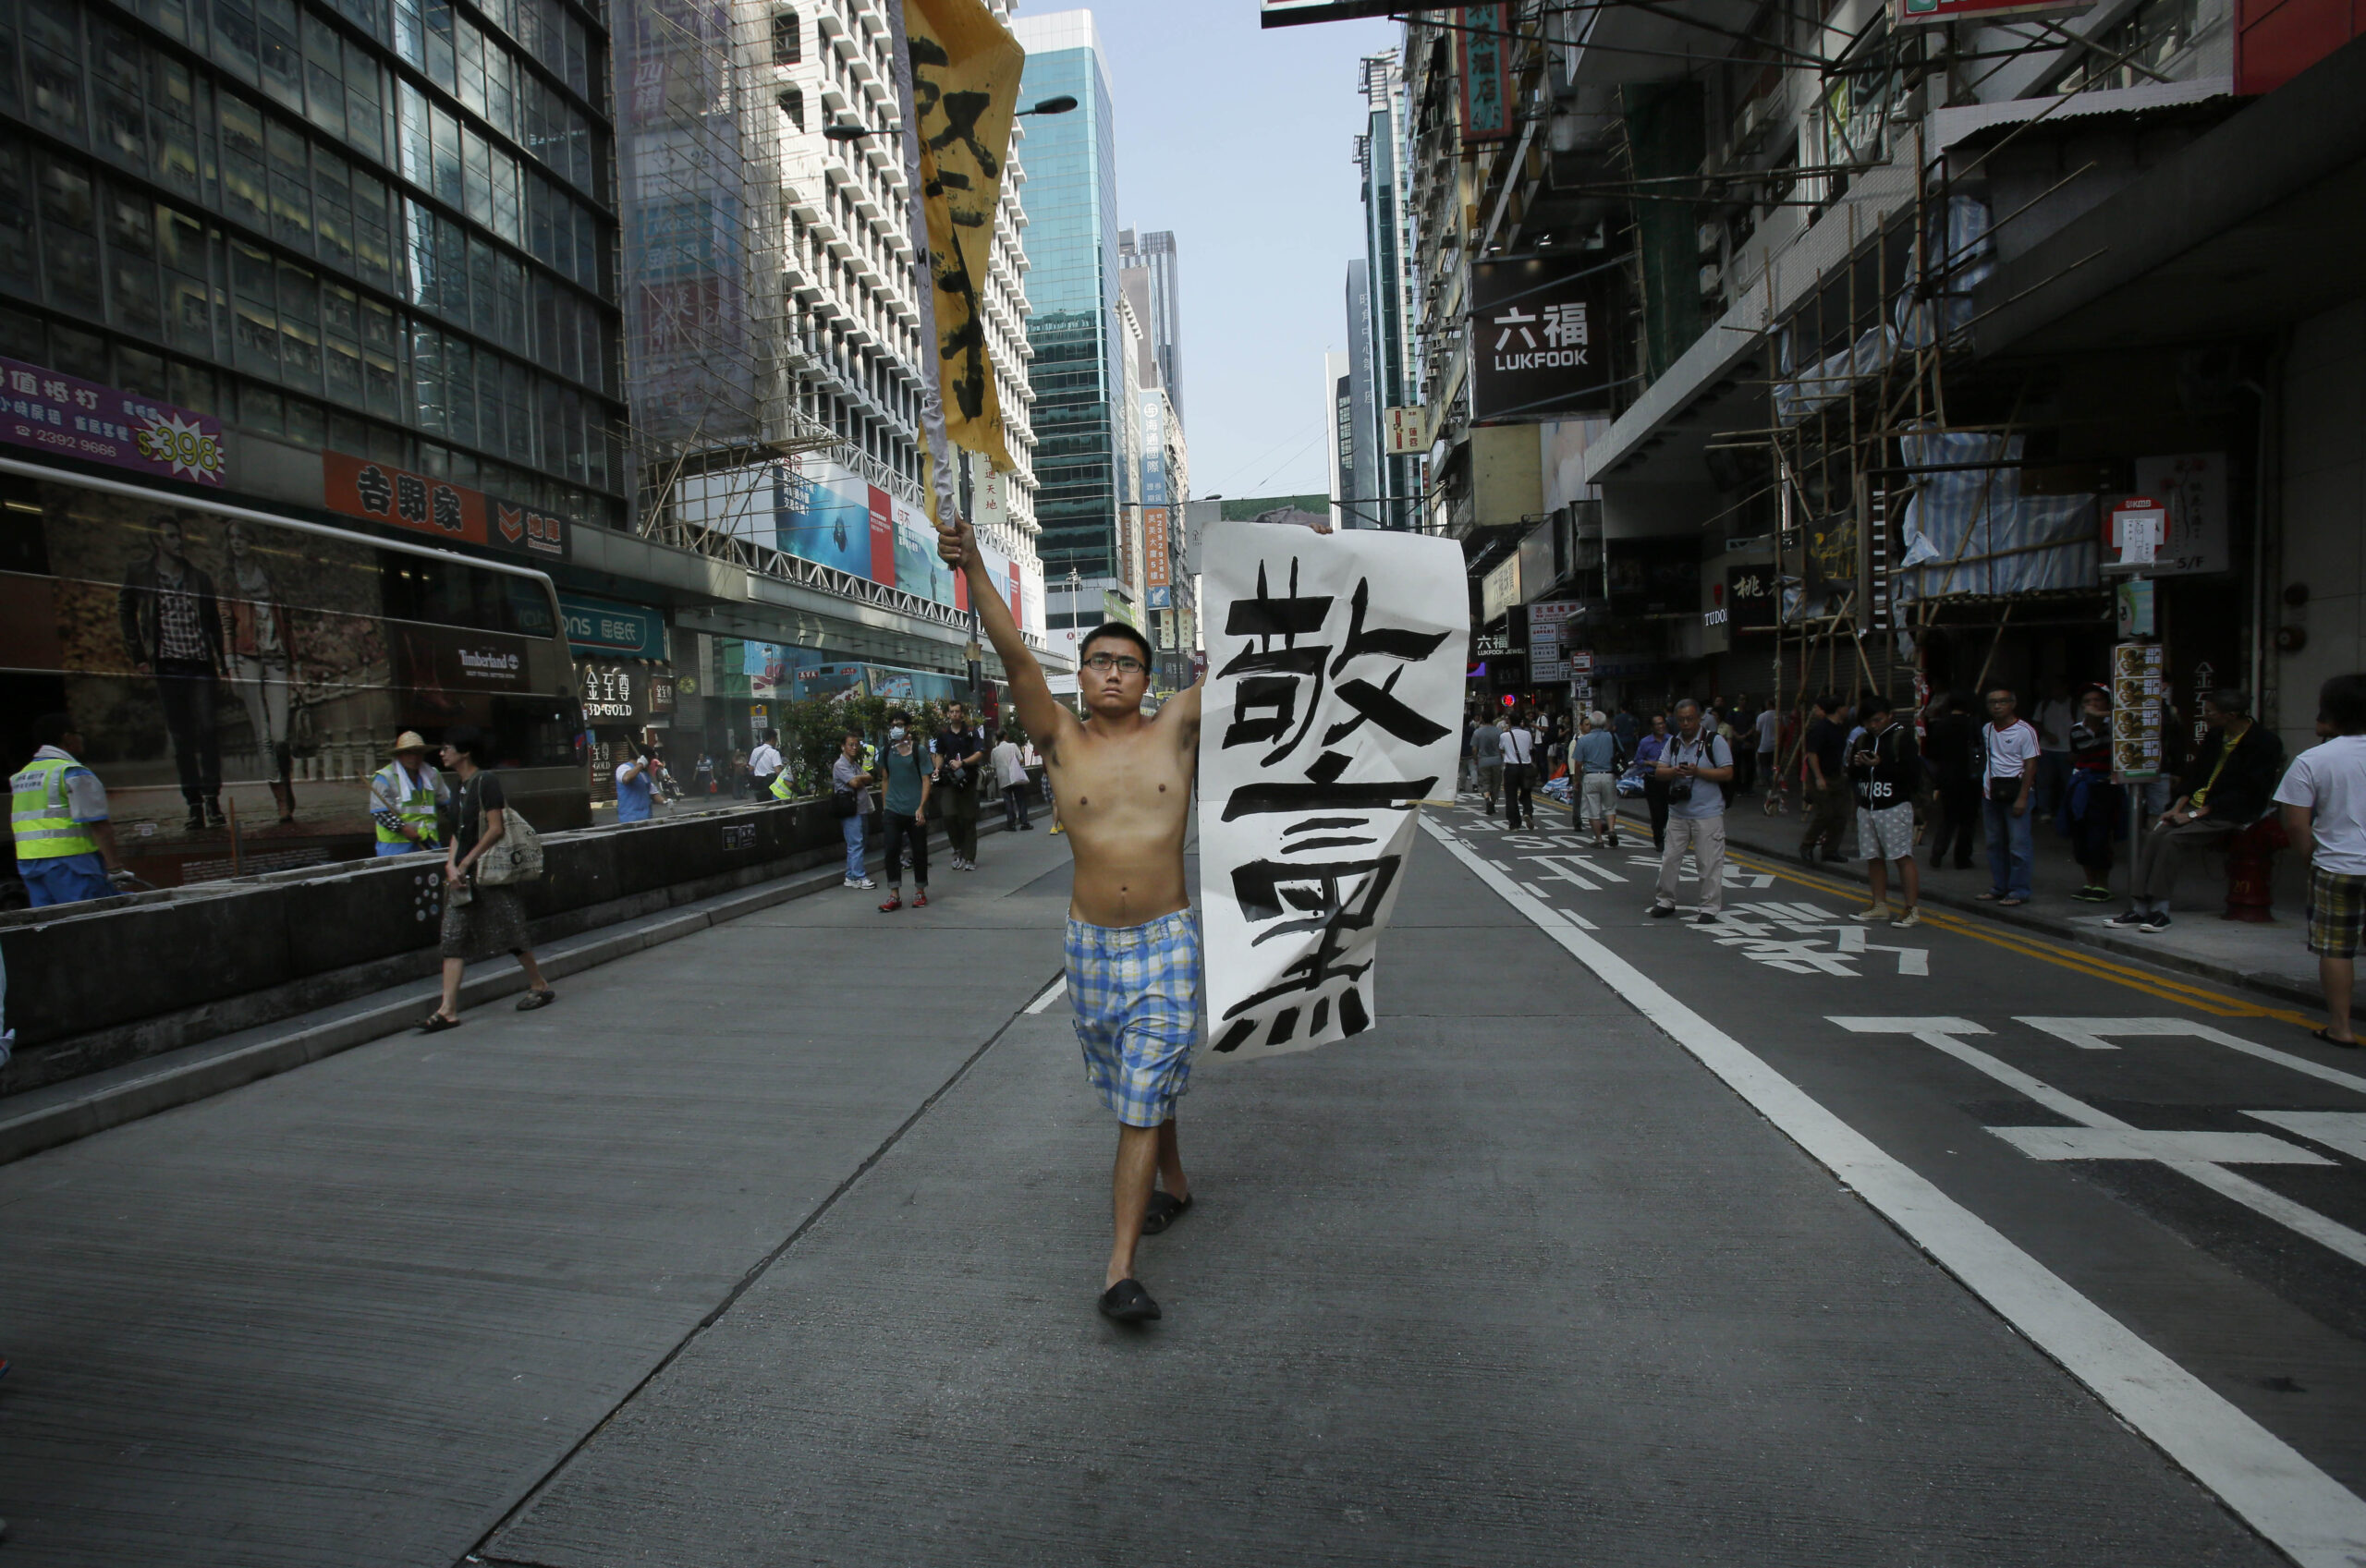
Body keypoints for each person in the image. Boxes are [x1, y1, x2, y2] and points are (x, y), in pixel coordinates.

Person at [942, 515, 1204, 1325]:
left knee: (1137, 1095)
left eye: (1129, 662)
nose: (1114, 673)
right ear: (1083, 676)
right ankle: (1178, 1185)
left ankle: (1118, 1270)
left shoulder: (1180, 728)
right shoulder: (1056, 737)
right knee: (1134, 1081)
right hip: (1089, 947)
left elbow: (1263, 671)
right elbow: (1017, 652)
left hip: (1166, 941)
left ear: (1148, 675)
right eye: (1101, 662)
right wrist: (976, 568)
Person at [2112, 687, 2286, 934]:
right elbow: (2197, 775)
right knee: (2156, 834)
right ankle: (2140, 907)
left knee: (2173, 840)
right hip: (2197, 804)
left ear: (2231, 715)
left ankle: (2161, 909)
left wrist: (2193, 815)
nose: (2205, 717)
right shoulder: (2216, 736)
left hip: (2228, 810)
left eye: (2210, 713)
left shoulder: (2264, 742)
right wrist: (2176, 807)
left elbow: (2249, 791)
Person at [418, 725, 555, 1030]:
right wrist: (451, 866)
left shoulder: (486, 782)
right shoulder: (458, 787)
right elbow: (458, 832)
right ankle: (447, 1010)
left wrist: (466, 862)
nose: (442, 753)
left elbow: (496, 828)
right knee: (452, 938)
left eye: (447, 748)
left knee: (511, 932)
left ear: (465, 752)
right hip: (463, 876)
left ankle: (540, 985)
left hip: (489, 873)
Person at [116, 508, 226, 832]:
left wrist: (224, 661)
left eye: (180, 536)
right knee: (181, 737)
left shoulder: (199, 577)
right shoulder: (139, 572)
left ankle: (212, 800)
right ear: (156, 539)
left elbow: (214, 624)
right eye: (171, 536)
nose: (179, 542)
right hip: (167, 665)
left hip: (200, 664)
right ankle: (193, 805)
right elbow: (126, 610)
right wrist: (138, 654)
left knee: (207, 732)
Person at [2276, 673, 2366, 1048]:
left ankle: (2341, 1026)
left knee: (2336, 948)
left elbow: (2296, 825)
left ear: (2330, 714)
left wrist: (2311, 857)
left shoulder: (2311, 760)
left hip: (2337, 866)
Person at [10, 713, 132, 906]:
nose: (81, 739)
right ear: (67, 737)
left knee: (51, 927)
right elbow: (99, 824)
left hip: (30, 863)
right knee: (87, 923)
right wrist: (115, 869)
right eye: (79, 734)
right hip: (71, 863)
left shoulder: (21, 776)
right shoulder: (71, 772)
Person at [223, 519, 298, 823]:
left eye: (241, 536)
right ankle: (280, 799)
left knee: (281, 736)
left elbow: (286, 618)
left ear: (252, 540)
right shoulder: (229, 577)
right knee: (264, 736)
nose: (236, 542)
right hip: (247, 656)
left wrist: (296, 662)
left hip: (276, 656)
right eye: (231, 538)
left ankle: (287, 785)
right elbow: (226, 620)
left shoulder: (269, 573)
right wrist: (230, 664)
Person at [1648, 699, 1733, 925]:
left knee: (1708, 863)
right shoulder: (1673, 743)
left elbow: (1727, 773)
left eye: (1690, 719)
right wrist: (1674, 771)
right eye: (1681, 719)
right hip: (1678, 813)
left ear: (1699, 719)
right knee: (1669, 860)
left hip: (1708, 813)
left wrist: (1698, 772)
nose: (1686, 723)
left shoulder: (1715, 742)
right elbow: (1659, 772)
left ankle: (1709, 907)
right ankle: (1665, 900)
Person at [1847, 692, 1921, 927]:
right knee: (1873, 856)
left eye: (1878, 720)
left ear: (1890, 716)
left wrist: (1882, 765)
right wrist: (1858, 765)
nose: (1873, 725)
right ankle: (1879, 904)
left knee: (1901, 856)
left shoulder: (1901, 738)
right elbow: (1851, 773)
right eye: (1868, 721)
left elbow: (1912, 775)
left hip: (1894, 806)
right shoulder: (1862, 740)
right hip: (1867, 805)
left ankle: (1911, 908)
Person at [1979, 687, 2042, 906]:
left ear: (2012, 704)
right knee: (1995, 843)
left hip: (2016, 793)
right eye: (1992, 702)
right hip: (1991, 794)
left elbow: (2031, 764)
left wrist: (2023, 797)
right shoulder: (1987, 729)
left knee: (2018, 845)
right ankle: (2000, 887)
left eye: (2002, 701)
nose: (1997, 706)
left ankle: (2019, 890)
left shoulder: (2025, 731)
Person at [2062, 686, 2120, 902]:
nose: (2092, 705)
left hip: (2105, 785)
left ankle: (2103, 885)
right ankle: (2089, 882)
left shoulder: (2115, 725)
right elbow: (2081, 752)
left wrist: (2102, 718)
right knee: (2080, 835)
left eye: (2097, 700)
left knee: (2101, 836)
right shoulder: (2077, 729)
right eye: (2088, 701)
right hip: (2082, 784)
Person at [874, 709, 933, 912]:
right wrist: (885, 807)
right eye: (892, 725)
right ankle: (894, 894)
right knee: (891, 850)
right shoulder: (886, 751)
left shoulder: (919, 751)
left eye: (899, 725)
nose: (895, 729)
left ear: (908, 727)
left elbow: (926, 780)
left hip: (914, 810)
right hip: (893, 809)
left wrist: (921, 807)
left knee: (919, 851)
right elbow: (885, 779)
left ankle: (920, 890)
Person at [1922, 692, 1982, 870]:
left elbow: (1932, 752)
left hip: (1946, 776)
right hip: (1969, 777)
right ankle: (1962, 858)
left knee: (1948, 817)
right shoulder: (1972, 724)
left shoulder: (1940, 725)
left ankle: (1938, 852)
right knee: (1968, 820)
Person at [370, 731, 450, 856]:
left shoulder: (432, 775)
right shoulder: (385, 777)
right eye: (409, 753)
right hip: (396, 846)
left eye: (418, 753)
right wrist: (403, 828)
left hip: (429, 842)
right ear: (399, 755)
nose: (414, 758)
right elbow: (380, 813)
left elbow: (446, 805)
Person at [935, 699, 990, 871]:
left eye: (957, 711)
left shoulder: (972, 732)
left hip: (968, 779)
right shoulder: (943, 734)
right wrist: (937, 768)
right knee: (949, 815)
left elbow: (980, 753)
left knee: (968, 818)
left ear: (962, 714)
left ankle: (969, 857)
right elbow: (939, 753)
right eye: (951, 712)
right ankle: (957, 849)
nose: (954, 714)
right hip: (949, 780)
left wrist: (963, 763)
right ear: (947, 714)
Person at [1799, 694, 1848, 863]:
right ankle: (1807, 845)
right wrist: (1819, 777)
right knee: (1825, 813)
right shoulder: (1821, 729)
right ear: (1838, 709)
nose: (1847, 710)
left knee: (1841, 815)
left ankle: (1830, 850)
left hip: (1836, 777)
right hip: (1820, 777)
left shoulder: (1840, 728)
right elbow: (1812, 754)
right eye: (1845, 707)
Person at [1569, 709, 1620, 848]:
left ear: (1590, 724)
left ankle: (1599, 839)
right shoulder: (1611, 737)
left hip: (1591, 776)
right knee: (1610, 807)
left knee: (1593, 809)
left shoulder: (1583, 740)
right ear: (1604, 724)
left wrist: (1576, 780)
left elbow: (1578, 763)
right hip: (1608, 775)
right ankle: (1611, 830)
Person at [833, 731, 877, 890]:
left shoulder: (854, 764)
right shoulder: (840, 765)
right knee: (856, 843)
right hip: (851, 810)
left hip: (861, 808)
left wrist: (862, 778)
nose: (854, 748)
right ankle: (859, 876)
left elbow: (869, 778)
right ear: (843, 746)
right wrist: (861, 778)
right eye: (850, 745)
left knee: (860, 842)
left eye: (856, 744)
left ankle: (851, 876)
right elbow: (855, 783)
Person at [2033, 676, 2077, 820]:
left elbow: (2080, 728)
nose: (2055, 691)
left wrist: (2075, 750)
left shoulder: (2074, 706)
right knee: (2044, 782)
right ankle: (2044, 811)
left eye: (2058, 687)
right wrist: (2046, 734)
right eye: (2053, 688)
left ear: (2065, 688)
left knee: (2068, 784)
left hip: (2067, 750)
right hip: (2046, 749)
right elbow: (2036, 722)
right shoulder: (2045, 704)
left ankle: (2067, 812)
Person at [1635, 712, 1672, 850]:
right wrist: (1651, 763)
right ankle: (1659, 840)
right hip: (1652, 780)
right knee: (1656, 812)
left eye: (1662, 723)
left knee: (1668, 811)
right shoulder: (1645, 742)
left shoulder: (1672, 740)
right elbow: (1638, 760)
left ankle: (1668, 836)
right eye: (1657, 724)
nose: (1661, 726)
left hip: (1669, 780)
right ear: (1652, 727)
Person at [1500, 711, 1539, 830]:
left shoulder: (1504, 735)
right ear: (1521, 721)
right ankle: (1527, 812)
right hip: (1526, 767)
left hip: (1511, 767)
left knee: (1511, 796)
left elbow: (1501, 749)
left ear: (1509, 722)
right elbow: (1530, 748)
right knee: (1526, 792)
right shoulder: (1527, 734)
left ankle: (1514, 823)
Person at [993, 729, 1033, 831]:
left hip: (1003, 779)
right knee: (1021, 800)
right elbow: (1021, 759)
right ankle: (1024, 822)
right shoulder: (1013, 746)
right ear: (1005, 736)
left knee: (1008, 801)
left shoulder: (994, 751)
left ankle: (1011, 824)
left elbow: (993, 766)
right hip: (1015, 777)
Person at [612, 739, 656, 823]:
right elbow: (626, 779)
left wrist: (665, 801)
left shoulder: (645, 773)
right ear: (643, 758)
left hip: (647, 818)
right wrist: (640, 765)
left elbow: (653, 793)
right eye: (649, 760)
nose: (650, 763)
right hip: (630, 820)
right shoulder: (624, 768)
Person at [1470, 711, 1504, 816]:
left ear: (1482, 718)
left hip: (1483, 760)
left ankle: (1487, 799)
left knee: (1485, 783)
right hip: (1497, 760)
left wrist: (1476, 759)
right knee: (1496, 783)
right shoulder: (1499, 732)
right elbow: (1502, 747)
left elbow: (1474, 749)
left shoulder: (1477, 732)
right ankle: (1493, 803)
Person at [1751, 698, 1779, 799]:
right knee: (1775, 766)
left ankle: (1770, 786)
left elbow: (1758, 732)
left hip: (1765, 745)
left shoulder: (1762, 716)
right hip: (1776, 745)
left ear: (1768, 705)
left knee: (1765, 766)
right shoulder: (1780, 715)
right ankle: (1776, 784)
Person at [748, 729, 784, 798]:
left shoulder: (755, 750)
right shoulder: (774, 752)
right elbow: (778, 771)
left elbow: (750, 768)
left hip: (758, 783)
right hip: (770, 783)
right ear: (773, 739)